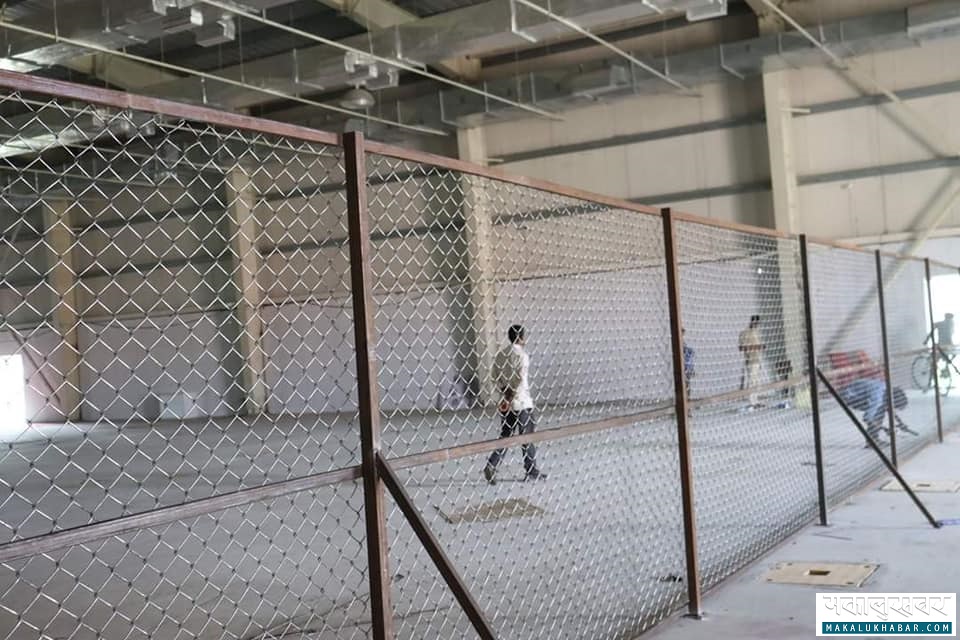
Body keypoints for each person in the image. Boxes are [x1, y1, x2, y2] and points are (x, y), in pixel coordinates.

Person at [483, 325, 546, 484]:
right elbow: (520, 378)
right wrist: (513, 395)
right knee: (527, 435)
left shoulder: (500, 355)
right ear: (521, 338)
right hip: (522, 402)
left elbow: (494, 376)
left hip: (506, 401)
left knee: (506, 434)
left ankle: (492, 464)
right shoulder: (522, 356)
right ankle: (531, 470)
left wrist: (505, 392)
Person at [738, 315, 764, 410]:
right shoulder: (745, 333)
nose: (757, 325)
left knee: (756, 381)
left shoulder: (756, 332)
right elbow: (741, 347)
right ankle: (751, 402)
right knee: (752, 381)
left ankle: (756, 400)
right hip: (750, 359)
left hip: (757, 359)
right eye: (756, 323)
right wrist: (756, 347)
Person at [682, 329, 695, 402]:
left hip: (686, 368)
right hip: (685, 368)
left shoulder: (685, 347)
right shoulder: (683, 346)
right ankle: (686, 399)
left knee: (687, 384)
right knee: (686, 384)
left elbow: (689, 357)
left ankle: (687, 398)